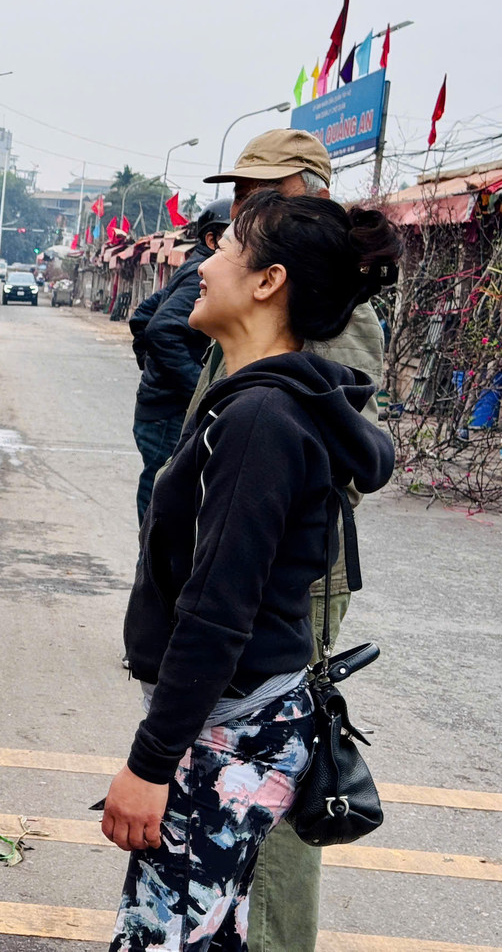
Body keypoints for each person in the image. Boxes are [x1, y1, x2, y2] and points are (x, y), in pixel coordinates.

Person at [103, 191, 399, 951]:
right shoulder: (268, 403)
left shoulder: (260, 421)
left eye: (227, 249)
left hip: (225, 735)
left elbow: (217, 611)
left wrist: (150, 762)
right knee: (211, 934)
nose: (203, 264)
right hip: (242, 725)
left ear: (268, 281)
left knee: (162, 939)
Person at [194, 130, 386, 952]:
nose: (241, 207)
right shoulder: (252, 281)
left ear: (309, 189)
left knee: (267, 773)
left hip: (287, 573)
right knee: (230, 776)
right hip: (245, 558)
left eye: (259, 191)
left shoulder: (332, 308)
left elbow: (331, 440)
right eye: (239, 193)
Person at [129, 199, 232, 523]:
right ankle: (150, 566)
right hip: (168, 411)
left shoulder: (193, 266)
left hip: (159, 406)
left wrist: (152, 366)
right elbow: (160, 330)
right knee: (163, 496)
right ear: (212, 240)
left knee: (161, 488)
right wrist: (200, 387)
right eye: (234, 237)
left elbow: (143, 316)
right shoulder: (201, 276)